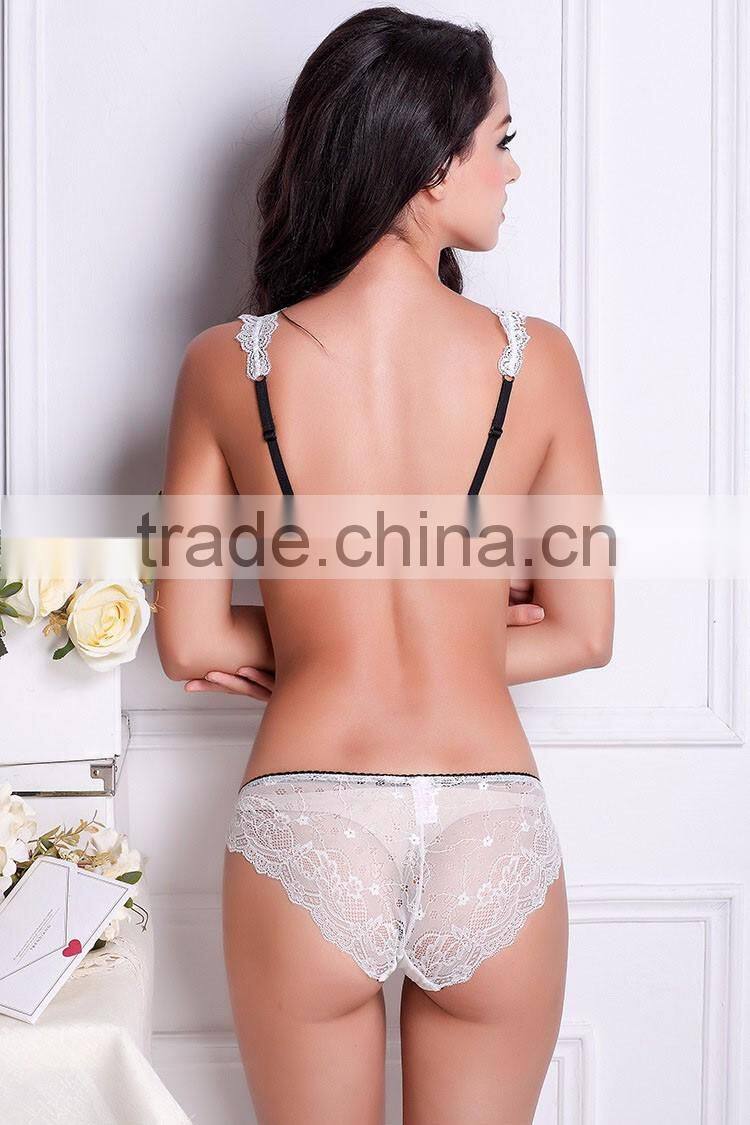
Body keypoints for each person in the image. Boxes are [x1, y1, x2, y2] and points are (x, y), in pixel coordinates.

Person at [155, 7, 614, 1123]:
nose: (512, 170)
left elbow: (191, 640)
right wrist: (462, 626)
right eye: (501, 140)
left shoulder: (226, 366)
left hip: (306, 819)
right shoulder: (538, 362)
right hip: (491, 824)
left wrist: (328, 643)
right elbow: (584, 630)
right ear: (428, 162)